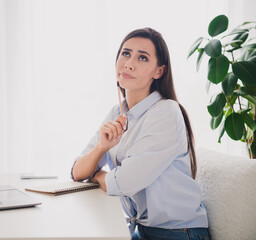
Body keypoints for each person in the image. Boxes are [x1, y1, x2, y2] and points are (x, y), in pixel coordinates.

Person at [71, 28, 210, 240]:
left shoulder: (166, 112)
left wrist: (97, 175)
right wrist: (101, 148)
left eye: (142, 58)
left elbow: (123, 183)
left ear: (159, 71)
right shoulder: (117, 112)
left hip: (179, 233)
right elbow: (77, 172)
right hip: (141, 231)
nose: (129, 63)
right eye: (125, 53)